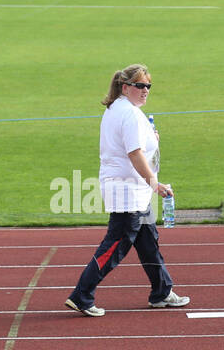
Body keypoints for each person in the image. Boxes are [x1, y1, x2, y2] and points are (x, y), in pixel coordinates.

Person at [65, 64, 188, 317]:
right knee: (114, 247)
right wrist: (156, 184)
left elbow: (135, 146)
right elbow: (134, 153)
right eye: (140, 86)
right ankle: (81, 295)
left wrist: (151, 140)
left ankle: (162, 292)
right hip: (127, 193)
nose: (145, 91)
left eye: (148, 86)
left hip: (132, 191)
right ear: (125, 87)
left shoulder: (118, 109)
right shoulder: (129, 114)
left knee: (148, 243)